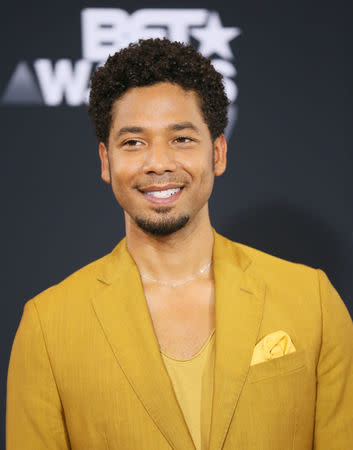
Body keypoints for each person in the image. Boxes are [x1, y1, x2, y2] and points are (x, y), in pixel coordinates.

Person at [6, 38, 353, 450]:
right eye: (133, 142)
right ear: (105, 161)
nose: (159, 162)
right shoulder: (48, 326)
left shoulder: (310, 300)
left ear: (218, 153)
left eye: (181, 139)